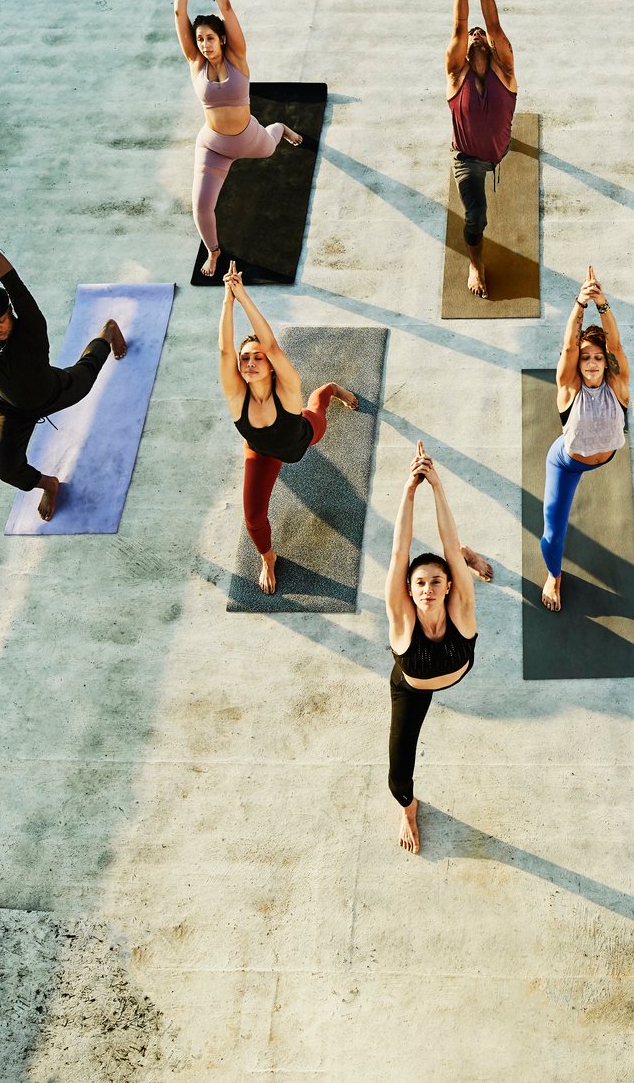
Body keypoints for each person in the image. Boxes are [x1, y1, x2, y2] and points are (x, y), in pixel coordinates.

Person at [0, 200, 125, 520]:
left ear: (10, 312)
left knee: (89, 369)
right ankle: (49, 484)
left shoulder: (30, 325)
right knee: (6, 468)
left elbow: (13, 282)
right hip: (11, 409)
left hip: (54, 390)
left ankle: (108, 331)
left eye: (1, 320)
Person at [218, 263, 357, 594]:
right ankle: (269, 557)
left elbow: (273, 346)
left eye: (257, 357)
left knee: (317, 403)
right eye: (245, 359)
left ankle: (334, 388)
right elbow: (225, 350)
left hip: (302, 437)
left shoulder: (287, 389)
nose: (249, 362)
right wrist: (227, 300)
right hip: (262, 452)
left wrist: (244, 297)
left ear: (269, 365)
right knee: (253, 518)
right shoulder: (237, 396)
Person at [384, 440, 493, 855]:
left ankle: (469, 557)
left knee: (454, 552)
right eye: (420, 583)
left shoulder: (460, 608)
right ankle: (409, 812)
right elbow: (399, 552)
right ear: (409, 592)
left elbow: (447, 547)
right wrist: (410, 491)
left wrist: (437, 486)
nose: (427, 588)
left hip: (447, 664)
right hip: (411, 688)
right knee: (397, 779)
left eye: (435, 581)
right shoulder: (403, 619)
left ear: (449, 585)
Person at [176, 0, 304, 277]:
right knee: (201, 207)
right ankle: (214, 251)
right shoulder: (195, 62)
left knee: (271, 143)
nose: (204, 44)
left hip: (250, 138)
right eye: (200, 38)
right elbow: (179, 12)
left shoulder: (237, 58)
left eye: (210, 38)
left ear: (222, 39)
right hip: (213, 145)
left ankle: (281, 127)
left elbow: (227, 8)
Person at [540, 266, 631, 612]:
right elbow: (567, 348)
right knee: (552, 536)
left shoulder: (617, 386)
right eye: (585, 358)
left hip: (604, 456)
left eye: (597, 357)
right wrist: (581, 303)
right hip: (566, 461)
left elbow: (617, 346)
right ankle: (554, 575)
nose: (591, 363)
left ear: (606, 363)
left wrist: (603, 304)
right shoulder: (568, 390)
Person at [445, 0, 519, 300]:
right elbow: (460, 25)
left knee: (502, 136)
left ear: (489, 46)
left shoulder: (504, 71)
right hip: (468, 159)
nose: (476, 35)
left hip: (498, 147)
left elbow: (493, 23)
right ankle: (475, 263)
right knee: (476, 217)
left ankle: (507, 144)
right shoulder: (455, 76)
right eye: (471, 36)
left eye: (481, 35)